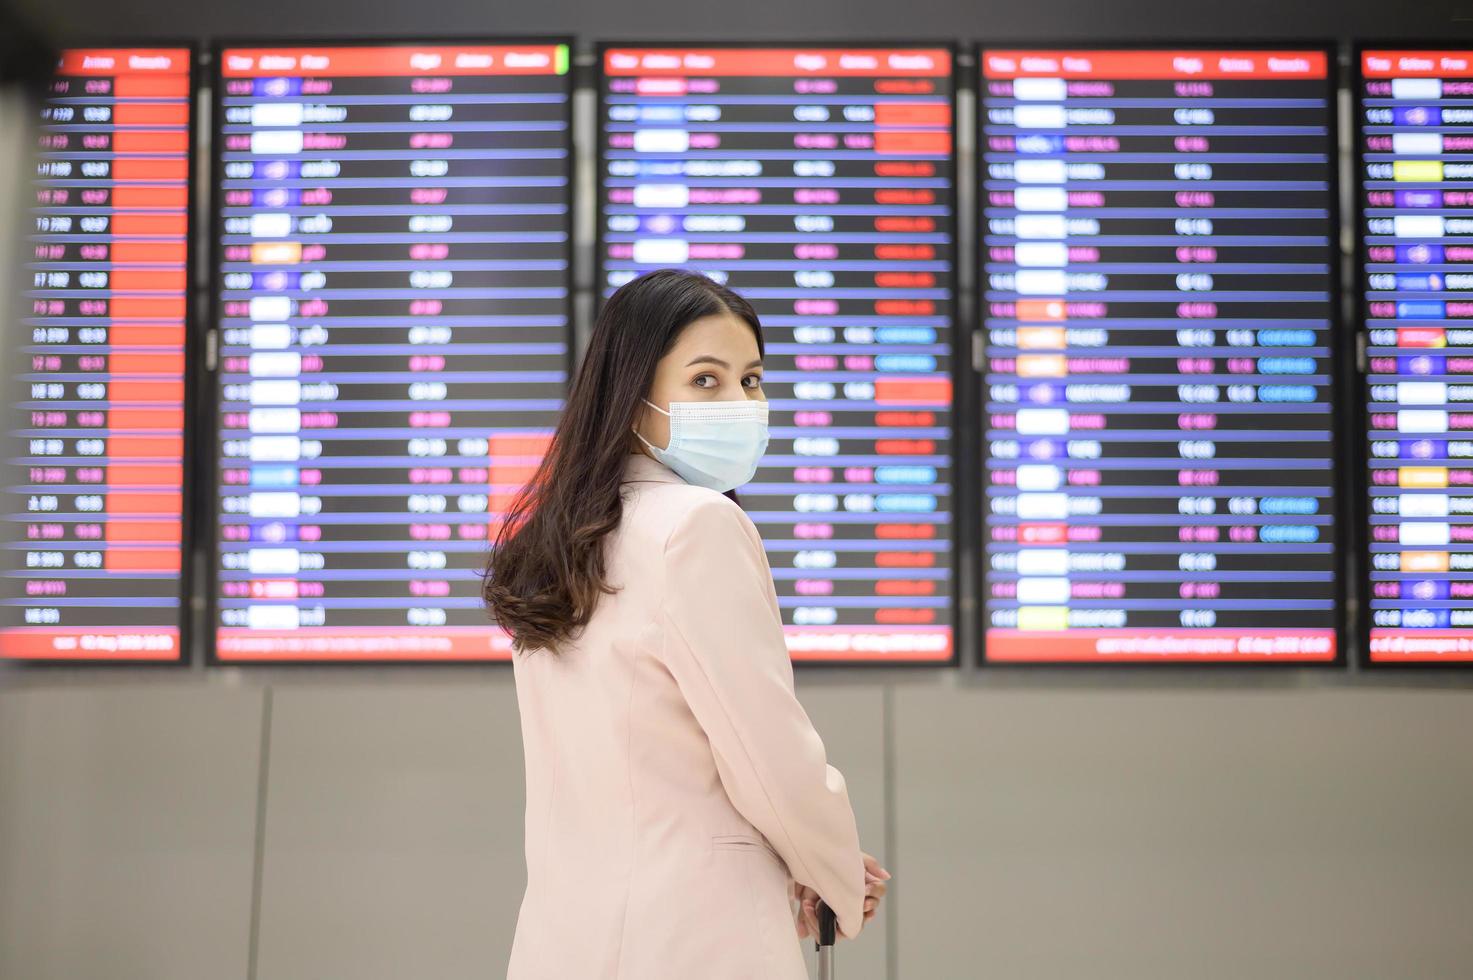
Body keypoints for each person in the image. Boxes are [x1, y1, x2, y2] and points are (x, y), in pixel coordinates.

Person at [484, 268, 889, 979]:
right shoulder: (697, 523)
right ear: (632, 398)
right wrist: (832, 873)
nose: (739, 401)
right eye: (705, 380)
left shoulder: (564, 545)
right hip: (691, 939)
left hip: (565, 937)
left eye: (752, 380)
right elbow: (766, 754)